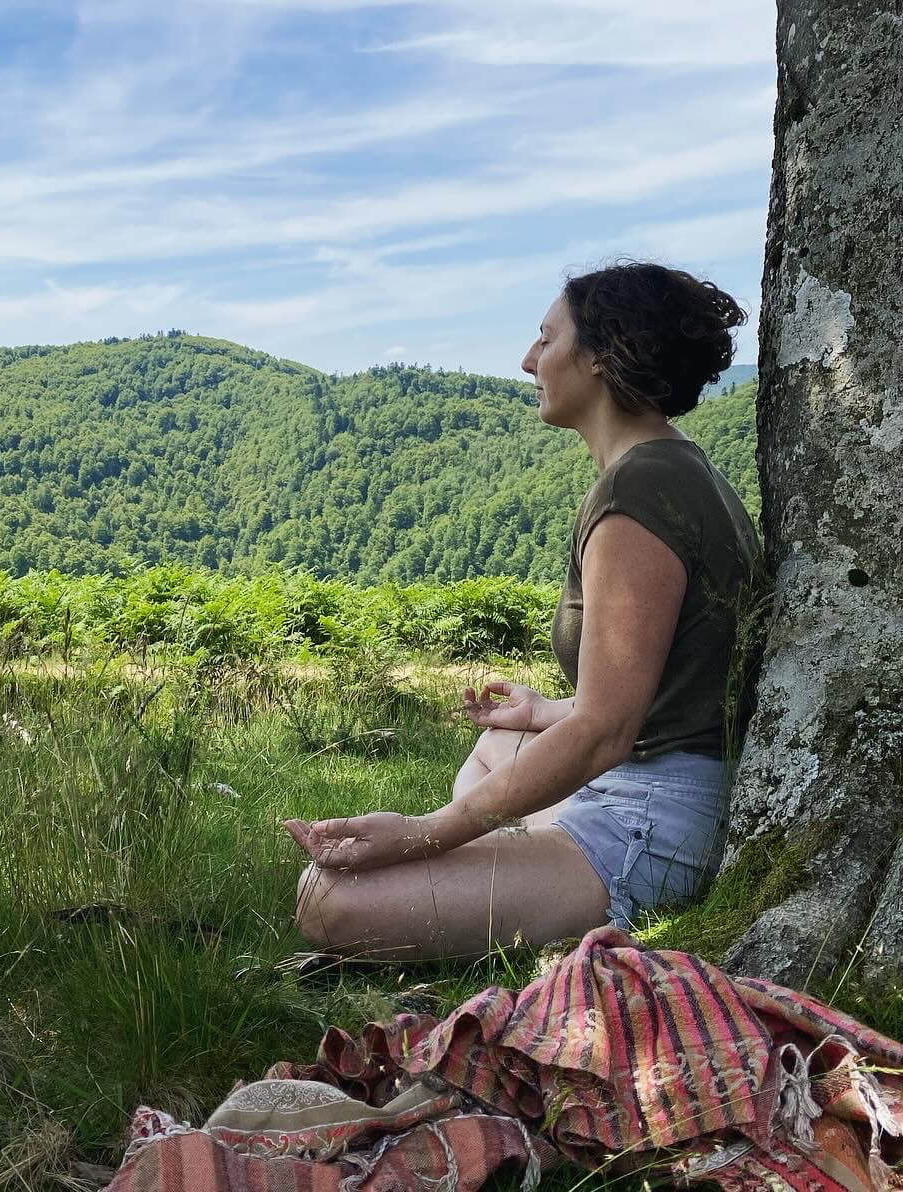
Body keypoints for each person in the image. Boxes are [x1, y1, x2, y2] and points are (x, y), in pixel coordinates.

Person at [285, 261, 762, 961]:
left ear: (602, 356)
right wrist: (543, 712)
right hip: (656, 780)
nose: (528, 359)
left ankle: (535, 891)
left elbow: (607, 731)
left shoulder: (640, 496)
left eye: (547, 338)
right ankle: (518, 880)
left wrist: (423, 832)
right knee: (494, 747)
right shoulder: (673, 469)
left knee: (326, 900)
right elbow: (660, 693)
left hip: (649, 825)